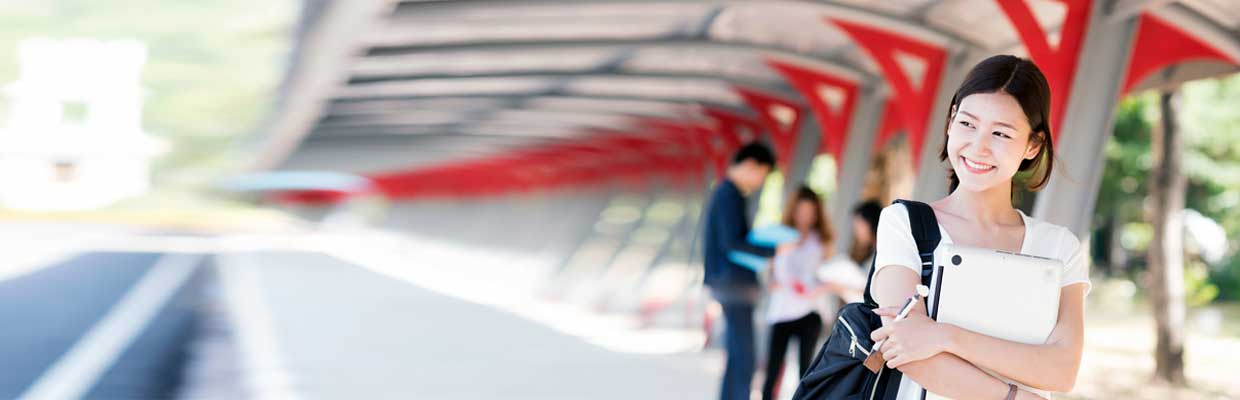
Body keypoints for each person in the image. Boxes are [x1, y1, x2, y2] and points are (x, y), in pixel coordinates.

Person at [868, 55, 1090, 399]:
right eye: (968, 124)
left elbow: (1062, 370)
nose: (979, 146)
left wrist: (945, 336)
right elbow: (905, 351)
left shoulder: (1059, 247)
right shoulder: (905, 225)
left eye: (1001, 133)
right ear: (951, 121)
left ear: (1033, 145)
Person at [702, 142, 778, 400]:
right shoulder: (730, 194)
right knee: (744, 357)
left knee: (737, 356)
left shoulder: (726, 192)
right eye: (762, 174)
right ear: (750, 165)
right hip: (732, 283)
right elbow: (733, 242)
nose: (760, 181)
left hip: (727, 282)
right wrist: (775, 250)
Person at [761, 185, 835, 400]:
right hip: (782, 311)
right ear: (793, 211)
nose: (805, 217)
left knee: (806, 371)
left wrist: (818, 287)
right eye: (801, 211)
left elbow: (829, 274)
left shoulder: (822, 240)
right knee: (773, 370)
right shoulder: (780, 237)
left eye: (810, 213)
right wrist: (772, 281)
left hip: (810, 311)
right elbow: (770, 272)